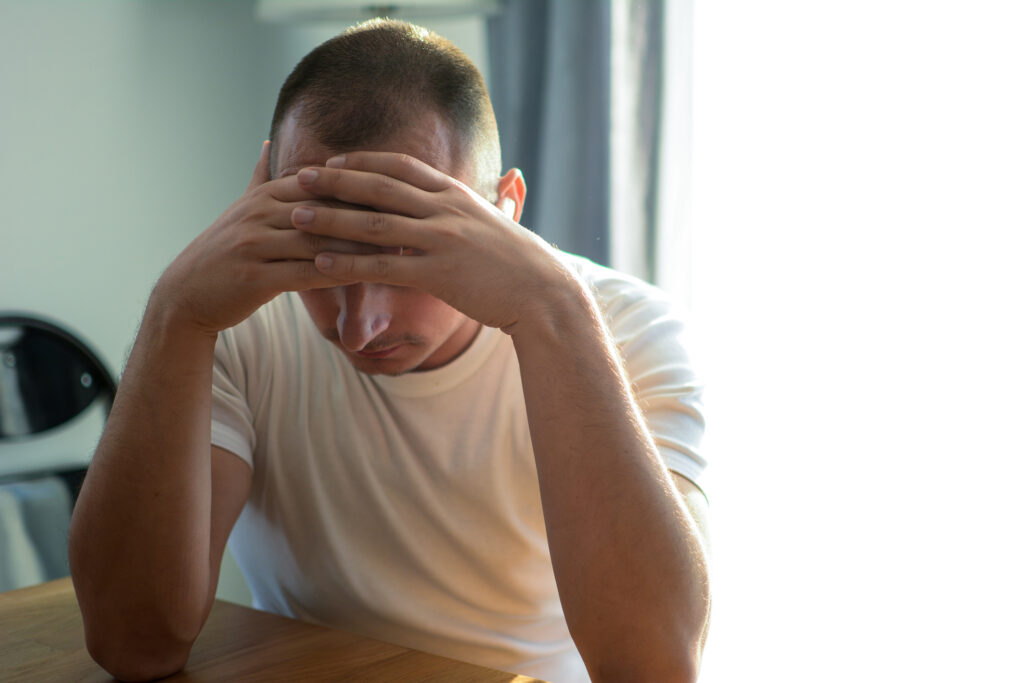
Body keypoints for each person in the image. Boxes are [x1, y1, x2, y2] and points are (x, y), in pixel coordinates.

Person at [68, 18, 710, 683]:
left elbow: (656, 664)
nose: (358, 329)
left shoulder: (628, 332)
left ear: (505, 211)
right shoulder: (235, 324)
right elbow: (134, 644)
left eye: (409, 261)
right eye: (319, 268)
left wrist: (553, 310)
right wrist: (176, 310)